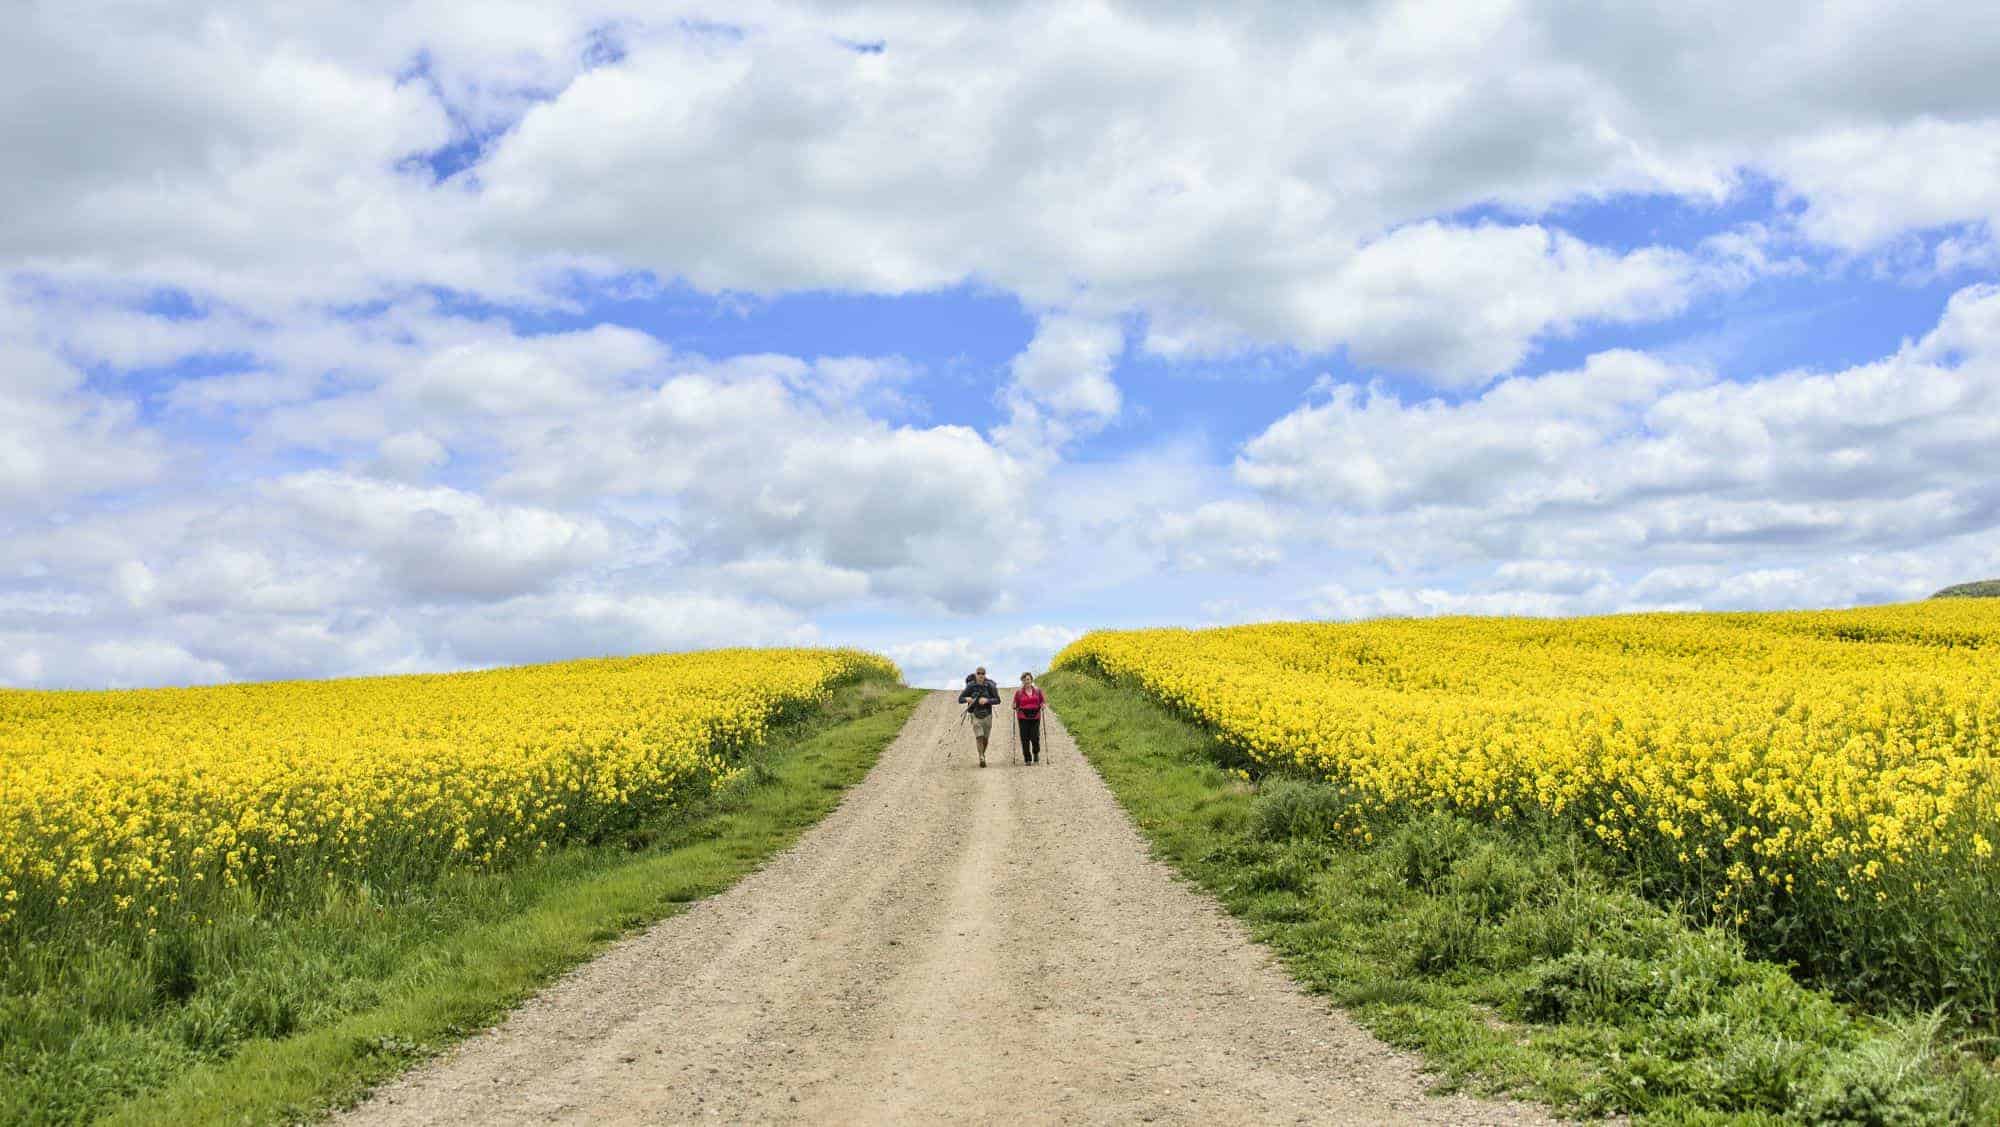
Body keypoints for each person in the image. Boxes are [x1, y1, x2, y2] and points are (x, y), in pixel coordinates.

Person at [958, 667, 1001, 767]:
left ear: (985, 674)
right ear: (976, 674)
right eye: (979, 673)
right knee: (979, 736)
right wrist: (967, 699)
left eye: (983, 673)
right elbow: (960, 699)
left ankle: (983, 753)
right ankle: (981, 756)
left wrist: (987, 701)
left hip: (987, 714)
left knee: (985, 738)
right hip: (974, 713)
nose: (981, 675)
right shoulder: (970, 686)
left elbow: (998, 700)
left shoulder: (990, 686)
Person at [1014, 671, 1045, 765]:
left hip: (1035, 716)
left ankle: (1036, 753)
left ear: (1031, 679)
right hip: (1023, 717)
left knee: (1035, 737)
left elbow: (1042, 701)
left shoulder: (1038, 691)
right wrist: (1014, 706)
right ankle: (1027, 758)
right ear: (1022, 681)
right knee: (1025, 738)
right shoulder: (1019, 693)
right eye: (1024, 680)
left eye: (1028, 679)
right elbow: (1015, 703)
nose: (1026, 681)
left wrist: (1042, 705)